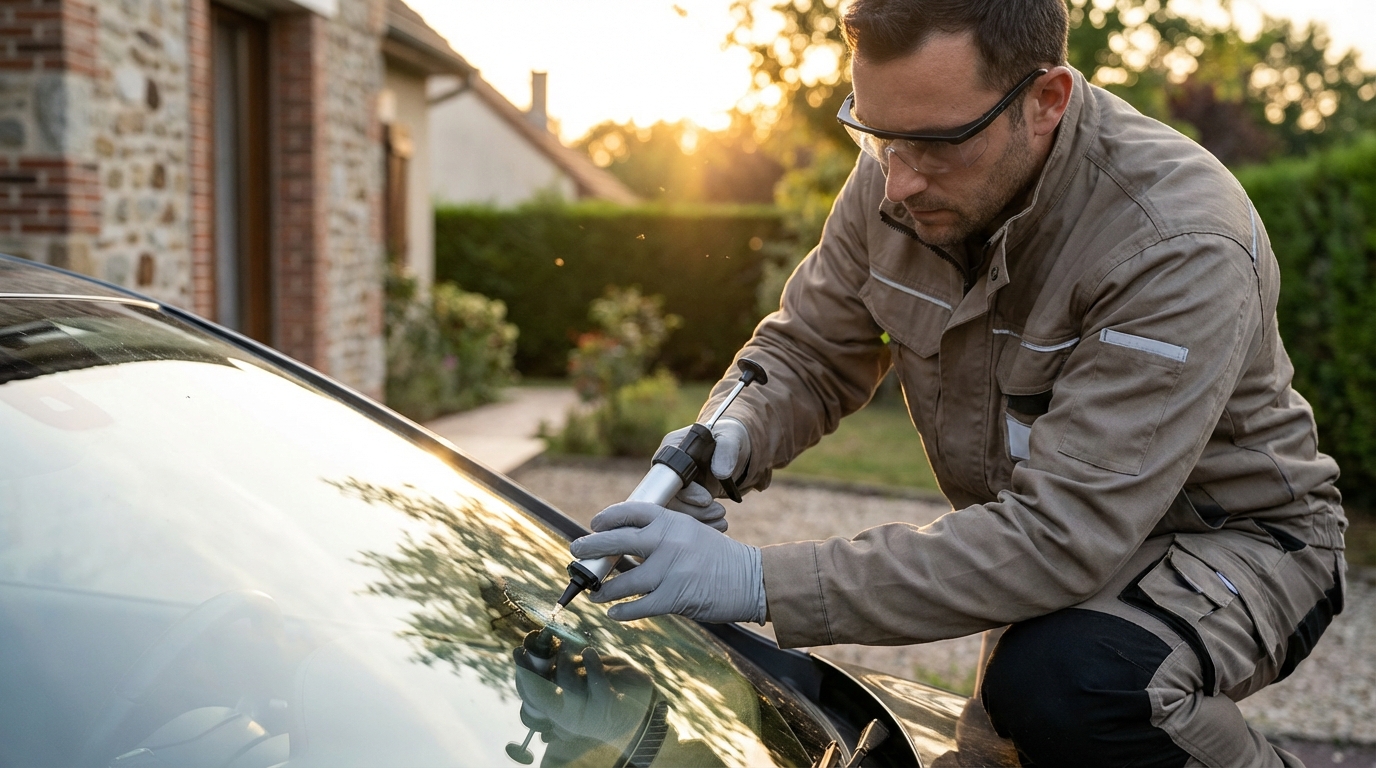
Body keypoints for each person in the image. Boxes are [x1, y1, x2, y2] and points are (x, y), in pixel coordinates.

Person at [569, 0, 1347, 765]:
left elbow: (1061, 533)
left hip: (1242, 540)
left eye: (934, 144)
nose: (895, 185)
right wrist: (731, 436)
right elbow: (810, 348)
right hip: (1058, 540)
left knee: (1071, 687)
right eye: (875, 135)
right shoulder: (902, 179)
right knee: (1004, 741)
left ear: (1046, 100)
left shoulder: (1176, 240)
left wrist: (758, 580)